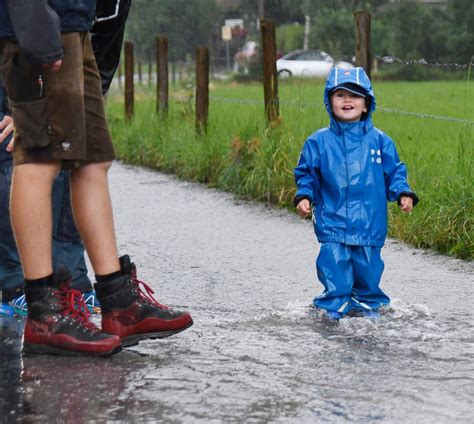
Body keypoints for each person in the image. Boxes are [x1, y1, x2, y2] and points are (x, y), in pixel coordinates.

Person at [0, 0, 193, 356]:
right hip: (43, 27)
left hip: (76, 26)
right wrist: (34, 25)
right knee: (39, 160)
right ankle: (44, 313)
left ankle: (119, 302)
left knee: (93, 161)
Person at [294, 67, 419, 320]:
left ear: (366, 104)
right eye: (340, 95)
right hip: (333, 221)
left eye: (355, 96)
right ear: (330, 102)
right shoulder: (318, 142)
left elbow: (394, 172)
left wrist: (403, 192)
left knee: (368, 274)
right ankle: (333, 308)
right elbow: (306, 173)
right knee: (335, 270)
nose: (347, 100)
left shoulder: (380, 142)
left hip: (369, 223)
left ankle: (369, 307)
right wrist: (305, 195)